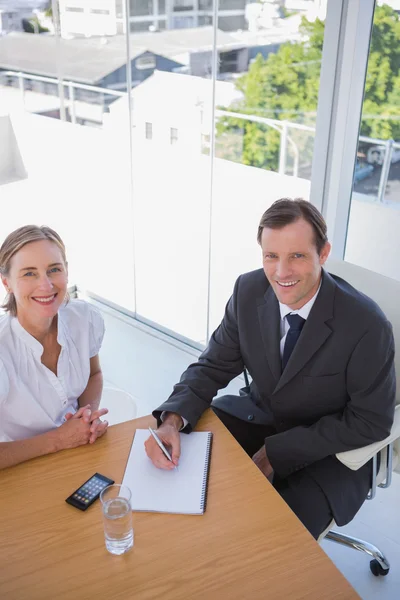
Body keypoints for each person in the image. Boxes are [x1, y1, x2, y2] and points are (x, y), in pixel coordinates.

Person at [145, 198, 396, 539]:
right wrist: (172, 421)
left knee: (270, 544)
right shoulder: (248, 290)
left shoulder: (367, 326)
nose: (281, 273)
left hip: (329, 452)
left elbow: (371, 422)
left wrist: (277, 452)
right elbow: (212, 365)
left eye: (297, 256)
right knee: (176, 496)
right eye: (271, 256)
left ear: (323, 254)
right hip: (257, 417)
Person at [0, 225, 109, 470]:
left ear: (66, 271)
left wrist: (86, 417)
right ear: (7, 283)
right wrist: (60, 440)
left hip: (78, 452)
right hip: (19, 468)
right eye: (29, 273)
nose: (46, 285)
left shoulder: (83, 318)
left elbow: (94, 374)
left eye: (54, 269)